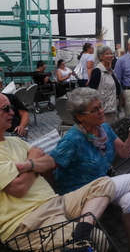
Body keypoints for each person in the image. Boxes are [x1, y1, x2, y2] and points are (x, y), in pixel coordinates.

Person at [50, 88, 130, 252]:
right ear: (80, 117)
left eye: (100, 106)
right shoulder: (72, 140)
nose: (101, 110)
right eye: (95, 109)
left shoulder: (103, 128)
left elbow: (125, 152)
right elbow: (49, 166)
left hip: (101, 186)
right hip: (79, 193)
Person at [0, 93, 115, 251]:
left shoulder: (16, 141)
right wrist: (34, 162)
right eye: (5, 109)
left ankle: (81, 233)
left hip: (56, 203)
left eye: (11, 108)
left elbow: (49, 163)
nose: (12, 112)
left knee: (105, 183)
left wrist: (28, 164)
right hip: (29, 222)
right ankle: (81, 237)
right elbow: (19, 188)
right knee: (99, 239)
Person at [89, 46, 121, 123]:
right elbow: (91, 91)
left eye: (111, 54)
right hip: (104, 109)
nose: (110, 56)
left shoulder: (111, 71)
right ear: (100, 56)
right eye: (107, 54)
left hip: (113, 107)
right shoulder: (98, 71)